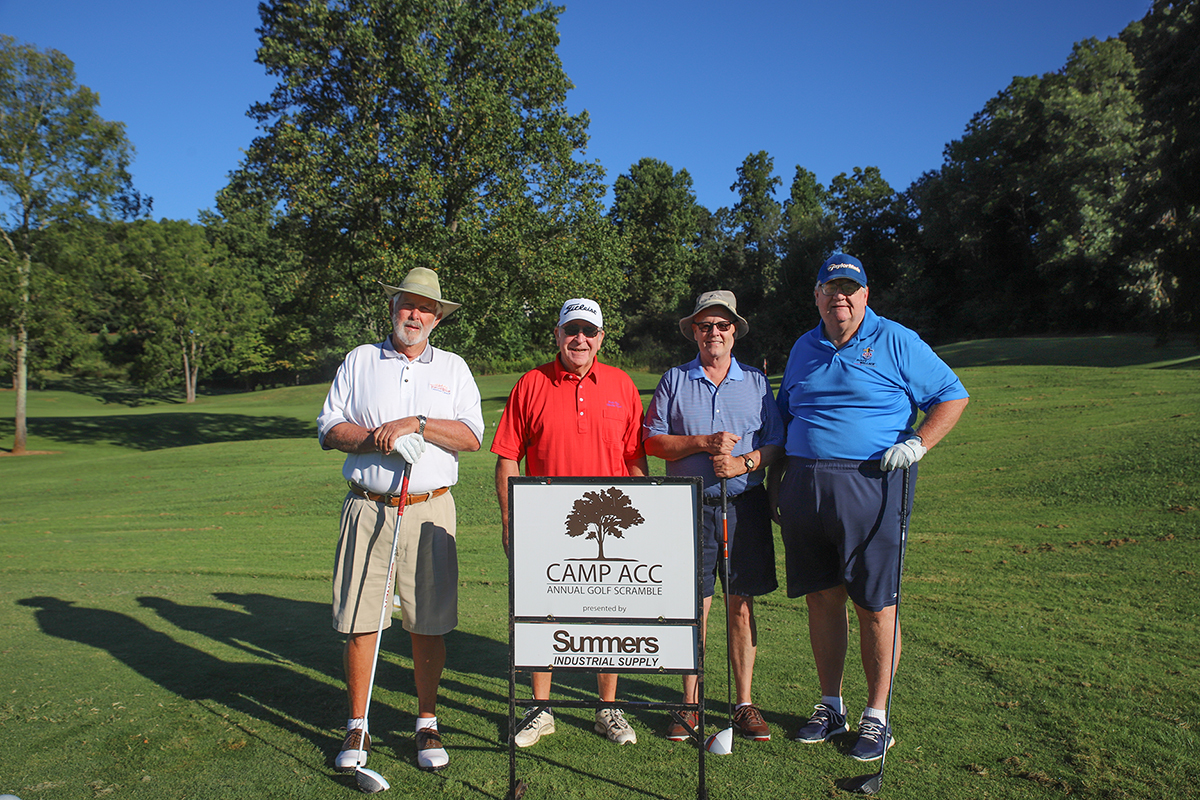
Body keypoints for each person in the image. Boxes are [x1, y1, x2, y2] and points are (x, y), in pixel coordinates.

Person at [768, 254, 968, 763]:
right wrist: (775, 483)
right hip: (805, 485)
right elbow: (787, 416)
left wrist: (918, 443)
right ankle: (831, 706)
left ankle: (877, 716)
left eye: (849, 288)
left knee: (875, 604)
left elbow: (952, 395)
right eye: (830, 288)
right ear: (816, 296)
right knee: (821, 597)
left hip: (873, 483)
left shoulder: (896, 339)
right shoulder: (803, 346)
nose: (840, 296)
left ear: (864, 294)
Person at [317, 267, 484, 773]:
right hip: (368, 506)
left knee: (427, 623)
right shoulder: (360, 360)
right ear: (393, 308)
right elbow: (329, 428)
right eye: (407, 304)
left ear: (437, 318)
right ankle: (357, 725)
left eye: (425, 308)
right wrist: (378, 439)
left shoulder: (453, 367)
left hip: (430, 508)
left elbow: (472, 436)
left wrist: (420, 425)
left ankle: (426, 721)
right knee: (361, 621)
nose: (415, 314)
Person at [492, 298, 649, 747]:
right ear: (558, 335)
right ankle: (540, 709)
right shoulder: (531, 384)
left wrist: (644, 519)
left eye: (589, 331)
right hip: (545, 522)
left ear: (601, 338)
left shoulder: (622, 384)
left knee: (610, 617)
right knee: (544, 615)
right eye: (571, 330)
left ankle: (608, 708)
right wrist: (511, 518)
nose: (580, 339)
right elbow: (507, 457)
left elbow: (634, 459)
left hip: (610, 525)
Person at [643, 290, 784, 742]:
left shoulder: (757, 382)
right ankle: (690, 703)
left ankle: (743, 703)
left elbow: (776, 443)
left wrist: (744, 462)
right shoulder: (674, 379)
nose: (714, 333)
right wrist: (704, 443)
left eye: (722, 325)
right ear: (695, 332)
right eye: (705, 326)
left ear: (734, 331)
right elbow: (653, 441)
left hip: (744, 506)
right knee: (693, 609)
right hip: (689, 508)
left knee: (740, 605)